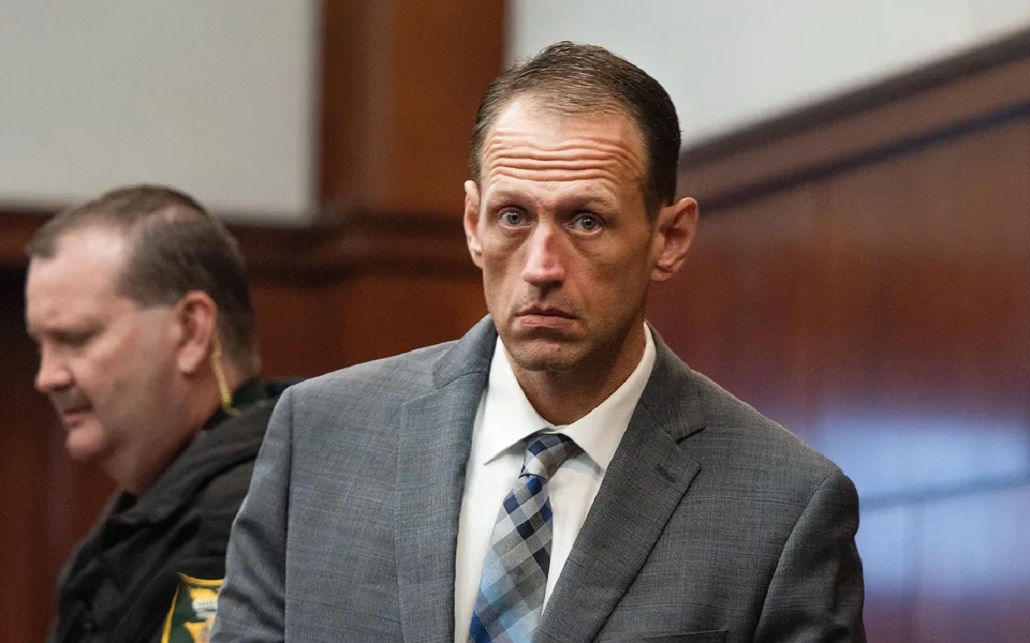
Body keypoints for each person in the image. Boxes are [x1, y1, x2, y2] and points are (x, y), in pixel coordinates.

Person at [212, 42, 865, 642]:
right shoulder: (319, 437)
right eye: (513, 216)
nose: (541, 266)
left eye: (586, 220)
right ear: (473, 223)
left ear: (669, 239)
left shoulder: (784, 507)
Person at [24, 185, 292, 643]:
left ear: (190, 331)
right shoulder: (151, 512)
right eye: (40, 346)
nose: (46, 377)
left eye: (76, 338)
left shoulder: (251, 515)